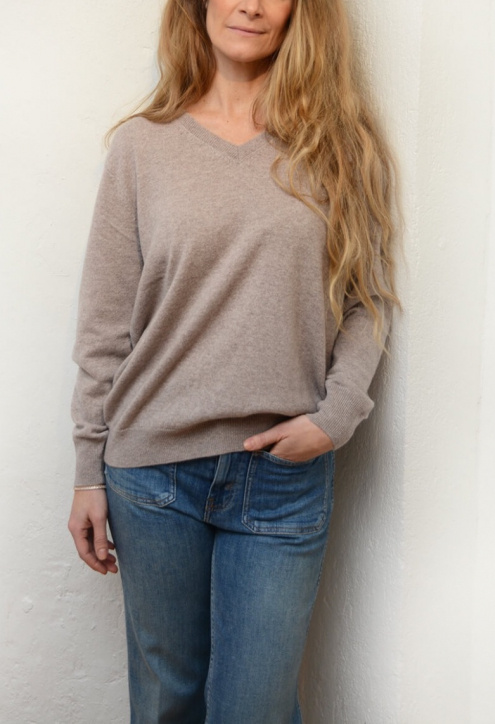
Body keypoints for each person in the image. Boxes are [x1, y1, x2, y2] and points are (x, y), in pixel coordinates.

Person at [68, 0, 399, 721]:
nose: (250, 4)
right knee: (167, 702)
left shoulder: (339, 145)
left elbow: (368, 300)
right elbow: (104, 325)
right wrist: (88, 471)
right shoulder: (142, 147)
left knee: (254, 708)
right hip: (151, 475)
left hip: (283, 477)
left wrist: (336, 416)